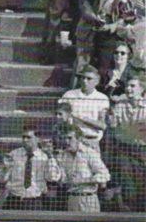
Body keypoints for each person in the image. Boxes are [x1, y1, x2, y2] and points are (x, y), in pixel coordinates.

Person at [0, 129, 63, 210]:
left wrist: (51, 158)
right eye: (23, 137)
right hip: (14, 200)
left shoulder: (45, 157)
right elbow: (0, 179)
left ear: (37, 139)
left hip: (34, 202)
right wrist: (5, 168)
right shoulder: (14, 154)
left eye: (28, 137)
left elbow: (53, 178)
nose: (25, 140)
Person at [107, 76, 146, 210]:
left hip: (143, 150)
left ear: (142, 89)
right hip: (124, 149)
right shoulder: (120, 106)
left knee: (142, 182)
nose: (129, 89)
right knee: (127, 182)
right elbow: (114, 128)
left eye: (133, 86)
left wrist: (127, 131)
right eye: (128, 86)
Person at [54, 128, 111, 211]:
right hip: (72, 199)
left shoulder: (89, 153)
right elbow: (64, 180)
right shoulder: (63, 156)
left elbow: (105, 176)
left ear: (79, 139)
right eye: (64, 138)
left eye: (70, 138)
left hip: (88, 198)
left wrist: (83, 180)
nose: (66, 141)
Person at [58, 65, 111, 147]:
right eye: (82, 78)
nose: (85, 81)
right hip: (71, 140)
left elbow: (102, 125)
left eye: (89, 79)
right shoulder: (69, 95)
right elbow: (60, 117)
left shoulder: (102, 98)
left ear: (97, 81)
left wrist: (81, 118)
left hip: (91, 140)